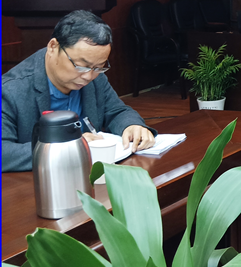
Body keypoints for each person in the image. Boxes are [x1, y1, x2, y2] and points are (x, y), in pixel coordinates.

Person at [2, 10, 157, 173]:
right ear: (53, 47)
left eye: (99, 67)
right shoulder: (10, 90)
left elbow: (117, 111)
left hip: (90, 174)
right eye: (81, 66)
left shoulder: (95, 76)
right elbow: (4, 152)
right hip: (37, 182)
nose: (88, 76)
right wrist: (68, 148)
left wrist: (132, 126)